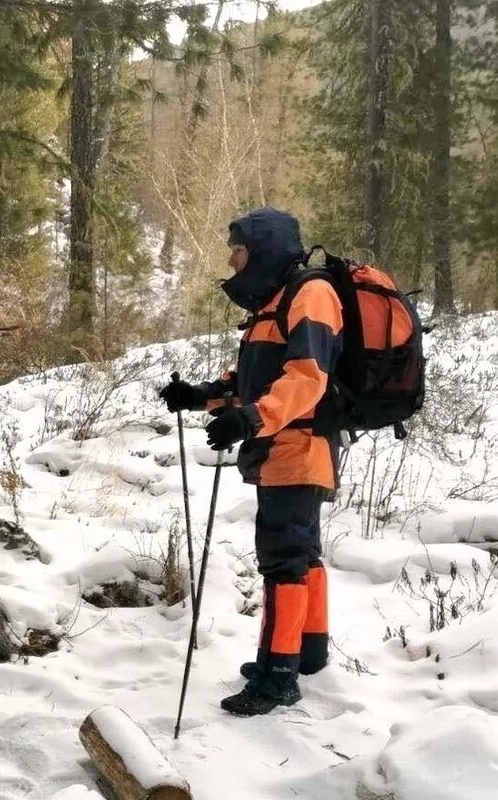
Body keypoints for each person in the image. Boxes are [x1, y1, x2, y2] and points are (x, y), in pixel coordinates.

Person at [159, 207, 343, 717]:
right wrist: (199, 396)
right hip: (283, 446)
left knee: (283, 559)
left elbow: (307, 377)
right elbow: (253, 377)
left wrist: (251, 419)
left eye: (237, 251)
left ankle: (278, 673)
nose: (231, 260)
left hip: (300, 447)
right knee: (301, 553)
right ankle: (308, 651)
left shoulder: (311, 294)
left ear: (260, 251)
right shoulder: (276, 303)